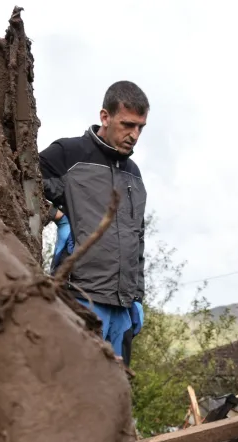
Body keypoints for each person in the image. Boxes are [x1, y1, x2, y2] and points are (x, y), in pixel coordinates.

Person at [40, 80, 149, 363]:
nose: (134, 135)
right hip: (80, 300)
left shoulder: (134, 174)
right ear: (105, 116)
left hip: (123, 310)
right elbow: (17, 181)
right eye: (127, 125)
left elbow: (137, 238)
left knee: (115, 397)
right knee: (78, 392)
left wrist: (137, 297)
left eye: (140, 127)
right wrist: (56, 215)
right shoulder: (68, 155)